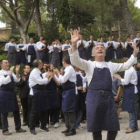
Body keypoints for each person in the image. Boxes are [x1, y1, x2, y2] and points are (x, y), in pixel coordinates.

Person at [68, 29, 138, 140]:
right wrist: (74, 44)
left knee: (113, 128)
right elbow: (75, 61)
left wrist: (134, 53)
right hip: (94, 98)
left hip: (108, 99)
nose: (100, 48)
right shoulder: (89, 65)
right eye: (97, 48)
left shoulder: (111, 65)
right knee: (96, 129)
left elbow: (126, 65)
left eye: (102, 48)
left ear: (105, 52)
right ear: (93, 53)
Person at [0, 60, 26, 135]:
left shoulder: (9, 72)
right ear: (1, 64)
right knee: (4, 112)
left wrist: (17, 72)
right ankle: (5, 130)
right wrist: (11, 72)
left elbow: (17, 80)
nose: (8, 64)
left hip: (11, 93)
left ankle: (18, 127)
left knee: (16, 110)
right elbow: (4, 81)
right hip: (4, 93)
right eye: (6, 63)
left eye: (8, 62)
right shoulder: (0, 73)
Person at [28, 59, 52, 135]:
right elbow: (40, 81)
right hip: (35, 93)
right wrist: (47, 77)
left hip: (41, 92)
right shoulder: (34, 72)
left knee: (44, 110)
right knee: (34, 111)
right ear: (39, 64)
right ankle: (32, 128)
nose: (42, 64)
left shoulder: (39, 72)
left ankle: (43, 125)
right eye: (41, 63)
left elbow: (44, 81)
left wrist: (47, 77)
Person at [55, 56, 77, 136]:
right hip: (66, 91)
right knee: (65, 109)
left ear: (63, 62)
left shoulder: (70, 69)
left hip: (70, 91)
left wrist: (58, 74)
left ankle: (72, 129)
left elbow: (63, 80)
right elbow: (61, 80)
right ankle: (68, 127)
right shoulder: (67, 69)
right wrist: (59, 75)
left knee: (70, 110)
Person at [114, 64, 138, 133]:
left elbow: (126, 82)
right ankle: (134, 126)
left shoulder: (128, 70)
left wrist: (119, 78)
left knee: (131, 109)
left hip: (131, 90)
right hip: (131, 89)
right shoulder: (131, 69)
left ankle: (132, 126)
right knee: (132, 109)